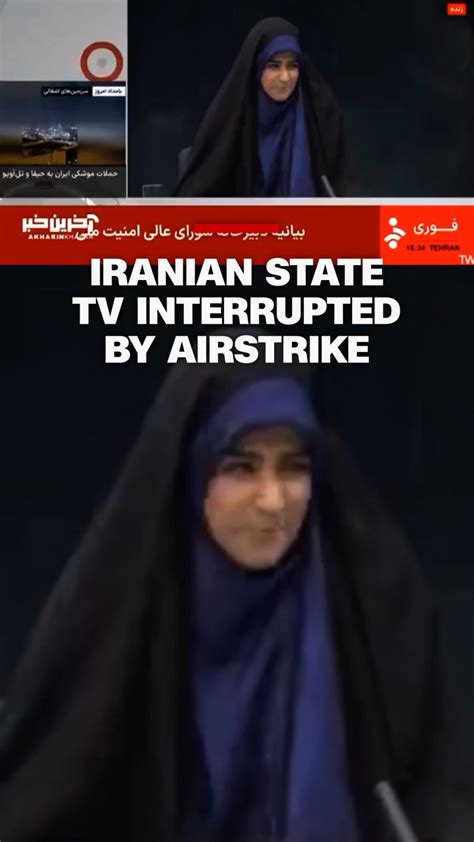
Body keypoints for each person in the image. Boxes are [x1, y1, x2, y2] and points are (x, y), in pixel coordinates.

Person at [0, 355, 471, 842]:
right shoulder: (118, 624)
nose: (273, 501)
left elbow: (436, 797)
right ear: (192, 470)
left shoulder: (374, 607)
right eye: (241, 467)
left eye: (295, 467)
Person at [174, 18, 356, 198]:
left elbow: (343, 189)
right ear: (256, 67)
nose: (285, 77)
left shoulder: (321, 114)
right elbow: (197, 195)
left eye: (292, 66)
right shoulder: (232, 119)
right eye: (274, 66)